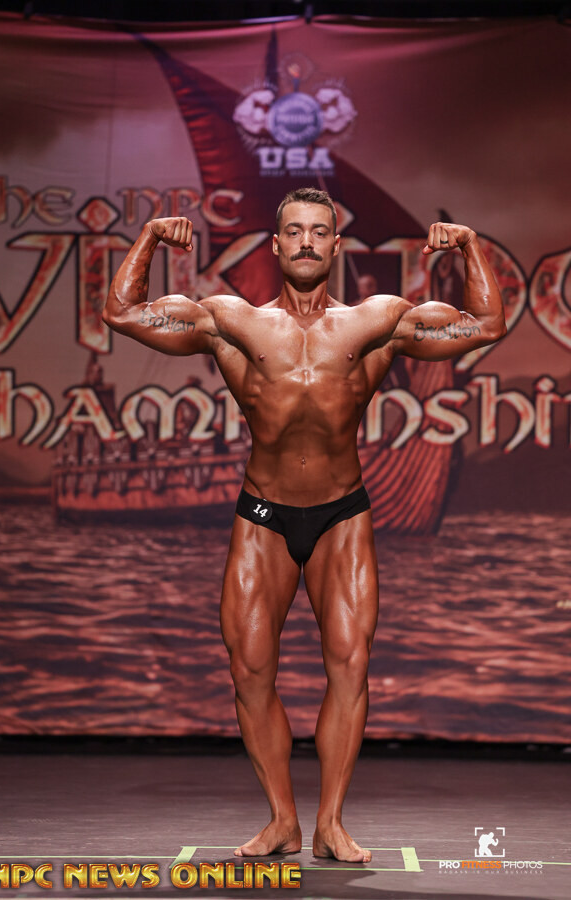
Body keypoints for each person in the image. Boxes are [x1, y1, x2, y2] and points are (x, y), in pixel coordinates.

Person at [103, 187, 505, 863]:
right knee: (250, 670)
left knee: (350, 664)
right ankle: (283, 821)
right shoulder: (232, 320)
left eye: (320, 231)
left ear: (336, 245)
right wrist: (148, 238)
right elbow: (121, 313)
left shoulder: (377, 320)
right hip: (263, 515)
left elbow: (485, 326)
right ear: (276, 245)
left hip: (341, 515)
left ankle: (331, 823)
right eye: (295, 231)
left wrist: (468, 246)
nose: (308, 242)